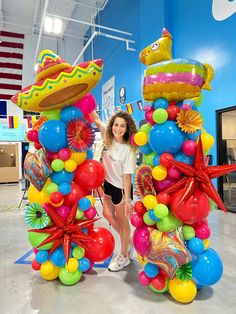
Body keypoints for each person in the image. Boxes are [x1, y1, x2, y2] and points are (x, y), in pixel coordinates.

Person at [90, 110, 137, 271]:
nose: (118, 128)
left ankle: (124, 257)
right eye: (116, 124)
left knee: (123, 222)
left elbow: (127, 177)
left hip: (122, 189)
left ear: (127, 128)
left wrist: (128, 200)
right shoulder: (107, 138)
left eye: (122, 126)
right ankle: (128, 240)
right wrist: (82, 94)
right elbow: (96, 119)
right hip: (108, 184)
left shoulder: (128, 149)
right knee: (107, 214)